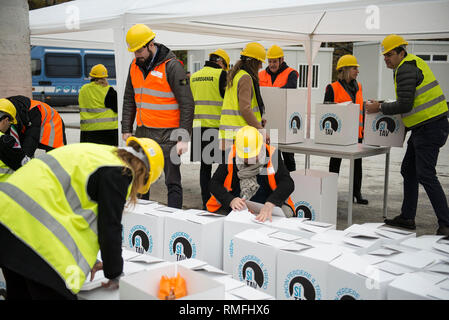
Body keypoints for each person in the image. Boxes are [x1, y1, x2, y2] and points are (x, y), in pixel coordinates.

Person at [0, 137, 164, 300]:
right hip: (30, 234)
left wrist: (91, 260)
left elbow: (72, 208)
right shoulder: (120, 172)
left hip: (7, 219)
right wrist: (115, 273)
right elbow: (109, 226)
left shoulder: (100, 155)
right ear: (143, 173)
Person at [366, 34, 449, 236]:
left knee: (426, 175)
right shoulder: (409, 65)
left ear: (401, 52)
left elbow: (405, 104)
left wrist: (380, 107)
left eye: (390, 54)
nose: (386, 58)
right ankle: (407, 217)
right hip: (426, 127)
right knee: (408, 170)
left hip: (430, 128)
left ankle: (446, 223)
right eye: (384, 55)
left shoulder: (405, 68)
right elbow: (412, 103)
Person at [122, 24, 194, 209]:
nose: (136, 55)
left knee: (172, 181)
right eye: (134, 51)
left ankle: (174, 218)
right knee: (140, 178)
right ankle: (143, 217)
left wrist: (184, 138)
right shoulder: (134, 66)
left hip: (169, 135)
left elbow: (187, 103)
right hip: (143, 132)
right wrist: (126, 129)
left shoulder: (172, 67)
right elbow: (129, 98)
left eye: (139, 50)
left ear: (151, 44)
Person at [207, 126, 295, 222]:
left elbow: (287, 183)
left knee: (285, 215)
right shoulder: (231, 154)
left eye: (253, 156)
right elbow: (214, 183)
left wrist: (271, 203)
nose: (249, 160)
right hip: (238, 208)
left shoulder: (272, 155)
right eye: (245, 157)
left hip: (266, 204)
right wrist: (230, 200)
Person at [323, 54, 368, 205]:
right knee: (335, 163)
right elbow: (326, 112)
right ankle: (330, 191)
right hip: (339, 135)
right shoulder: (332, 88)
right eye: (355, 68)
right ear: (346, 69)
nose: (358, 71)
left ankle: (357, 193)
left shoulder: (359, 86)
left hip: (357, 134)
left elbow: (361, 110)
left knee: (358, 164)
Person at [190, 48, 229, 209]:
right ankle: (220, 201)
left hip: (199, 128)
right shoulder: (221, 75)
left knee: (205, 168)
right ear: (221, 62)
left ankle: (206, 202)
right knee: (225, 168)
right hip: (218, 129)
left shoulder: (194, 76)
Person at [218, 42, 267, 151]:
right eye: (260, 62)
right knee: (241, 168)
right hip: (239, 136)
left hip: (229, 135)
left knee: (228, 167)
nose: (261, 66)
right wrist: (260, 129)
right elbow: (245, 109)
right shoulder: (245, 78)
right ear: (254, 62)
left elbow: (237, 105)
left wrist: (257, 119)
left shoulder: (236, 75)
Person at [259, 45, 299, 172]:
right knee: (269, 157)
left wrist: (272, 93)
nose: (272, 65)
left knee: (288, 158)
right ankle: (271, 185)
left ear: (281, 60)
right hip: (267, 122)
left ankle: (291, 182)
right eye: (270, 61)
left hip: (284, 122)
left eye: (274, 61)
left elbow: (290, 87)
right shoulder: (261, 75)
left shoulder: (291, 73)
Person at [78, 64, 118, 146]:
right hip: (107, 131)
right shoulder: (109, 90)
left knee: (90, 156)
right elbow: (117, 108)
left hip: (87, 131)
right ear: (105, 77)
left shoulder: (83, 89)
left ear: (91, 76)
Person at [0, 99, 29, 182]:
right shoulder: (6, 142)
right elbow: (26, 165)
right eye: (10, 123)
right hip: (6, 191)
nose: (9, 126)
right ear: (6, 120)